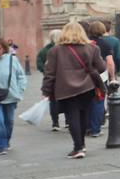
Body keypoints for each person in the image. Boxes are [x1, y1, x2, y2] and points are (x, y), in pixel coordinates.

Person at [40, 23, 106, 159]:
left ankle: (77, 147)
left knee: (72, 117)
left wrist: (46, 91)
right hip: (87, 87)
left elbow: (50, 73)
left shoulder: (55, 50)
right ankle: (81, 145)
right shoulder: (92, 48)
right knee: (83, 115)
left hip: (65, 89)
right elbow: (101, 67)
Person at [0, 37, 27, 155]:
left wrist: (19, 89)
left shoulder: (12, 60)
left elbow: (21, 76)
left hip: (11, 96)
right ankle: (0, 145)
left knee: (9, 121)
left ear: (4, 48)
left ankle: (6, 140)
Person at [86, 20, 116, 138]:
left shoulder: (85, 43)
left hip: (85, 77)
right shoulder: (105, 44)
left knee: (87, 101)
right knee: (98, 102)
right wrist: (112, 76)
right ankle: (95, 129)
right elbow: (109, 62)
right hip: (100, 77)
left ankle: (87, 126)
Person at [36, 29, 64, 131]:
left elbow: (39, 64)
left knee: (54, 101)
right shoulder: (64, 48)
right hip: (64, 79)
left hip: (50, 79)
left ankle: (55, 123)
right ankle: (68, 121)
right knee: (67, 99)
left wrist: (46, 71)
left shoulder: (44, 50)